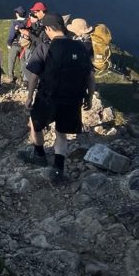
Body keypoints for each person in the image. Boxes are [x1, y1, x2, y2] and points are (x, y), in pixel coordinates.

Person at [21, 12, 95, 183]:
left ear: (48, 28)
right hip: (73, 99)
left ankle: (39, 154)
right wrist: (89, 98)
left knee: (35, 124)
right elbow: (91, 77)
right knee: (61, 134)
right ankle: (58, 169)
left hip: (49, 97)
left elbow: (34, 76)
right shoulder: (81, 48)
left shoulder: (45, 47)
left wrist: (30, 96)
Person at [5, 6, 28, 86]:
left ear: (17, 14)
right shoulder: (27, 22)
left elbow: (11, 35)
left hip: (15, 44)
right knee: (23, 61)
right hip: (25, 45)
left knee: (11, 60)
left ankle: (11, 77)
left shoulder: (14, 22)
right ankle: (23, 79)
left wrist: (9, 43)